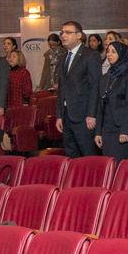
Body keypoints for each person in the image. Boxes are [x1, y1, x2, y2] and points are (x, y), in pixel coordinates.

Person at [55, 20, 102, 158]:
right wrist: (59, 116)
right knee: (72, 157)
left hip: (84, 117)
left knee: (87, 157)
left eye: (68, 32)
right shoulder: (63, 56)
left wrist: (92, 114)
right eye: (62, 32)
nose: (63, 35)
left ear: (79, 35)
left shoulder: (90, 55)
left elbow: (95, 87)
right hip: (66, 117)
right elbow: (61, 88)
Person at [94, 42, 128, 160]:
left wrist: (125, 130)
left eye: (113, 52)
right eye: (108, 51)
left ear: (122, 54)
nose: (109, 54)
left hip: (121, 129)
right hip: (107, 128)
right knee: (109, 164)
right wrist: (98, 132)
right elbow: (100, 106)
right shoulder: (105, 77)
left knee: (122, 165)